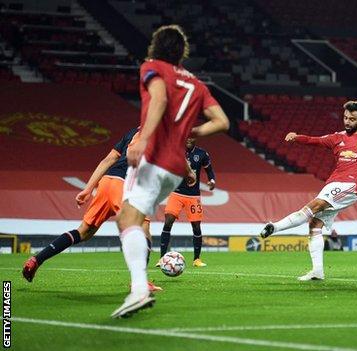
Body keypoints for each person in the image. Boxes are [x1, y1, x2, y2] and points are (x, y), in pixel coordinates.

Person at [111, 24, 229, 318]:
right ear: (182, 51)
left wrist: (144, 140)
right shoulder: (197, 84)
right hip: (178, 167)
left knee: (127, 220)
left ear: (156, 46)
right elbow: (222, 122)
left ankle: (139, 289)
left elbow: (160, 99)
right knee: (136, 220)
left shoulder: (151, 67)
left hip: (154, 157)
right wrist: (192, 134)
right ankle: (139, 287)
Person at [258, 101, 357, 281]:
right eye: (345, 118)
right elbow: (315, 140)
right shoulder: (337, 138)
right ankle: (318, 271)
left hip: (350, 186)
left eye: (352, 119)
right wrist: (296, 137)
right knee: (314, 225)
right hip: (333, 184)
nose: (347, 121)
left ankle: (275, 227)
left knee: (314, 205)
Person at [21, 128, 160, 292]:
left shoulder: (131, 132)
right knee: (143, 229)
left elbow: (107, 160)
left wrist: (88, 189)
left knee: (84, 231)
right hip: (125, 185)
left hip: (107, 181)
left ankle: (37, 259)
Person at [158, 137, 216, 268]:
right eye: (186, 136)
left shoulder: (202, 154)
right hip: (176, 193)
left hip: (193, 196)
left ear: (196, 138)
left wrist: (212, 181)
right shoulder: (176, 151)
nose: (188, 139)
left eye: (191, 137)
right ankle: (162, 258)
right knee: (168, 222)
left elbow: (209, 170)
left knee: (196, 226)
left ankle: (197, 259)